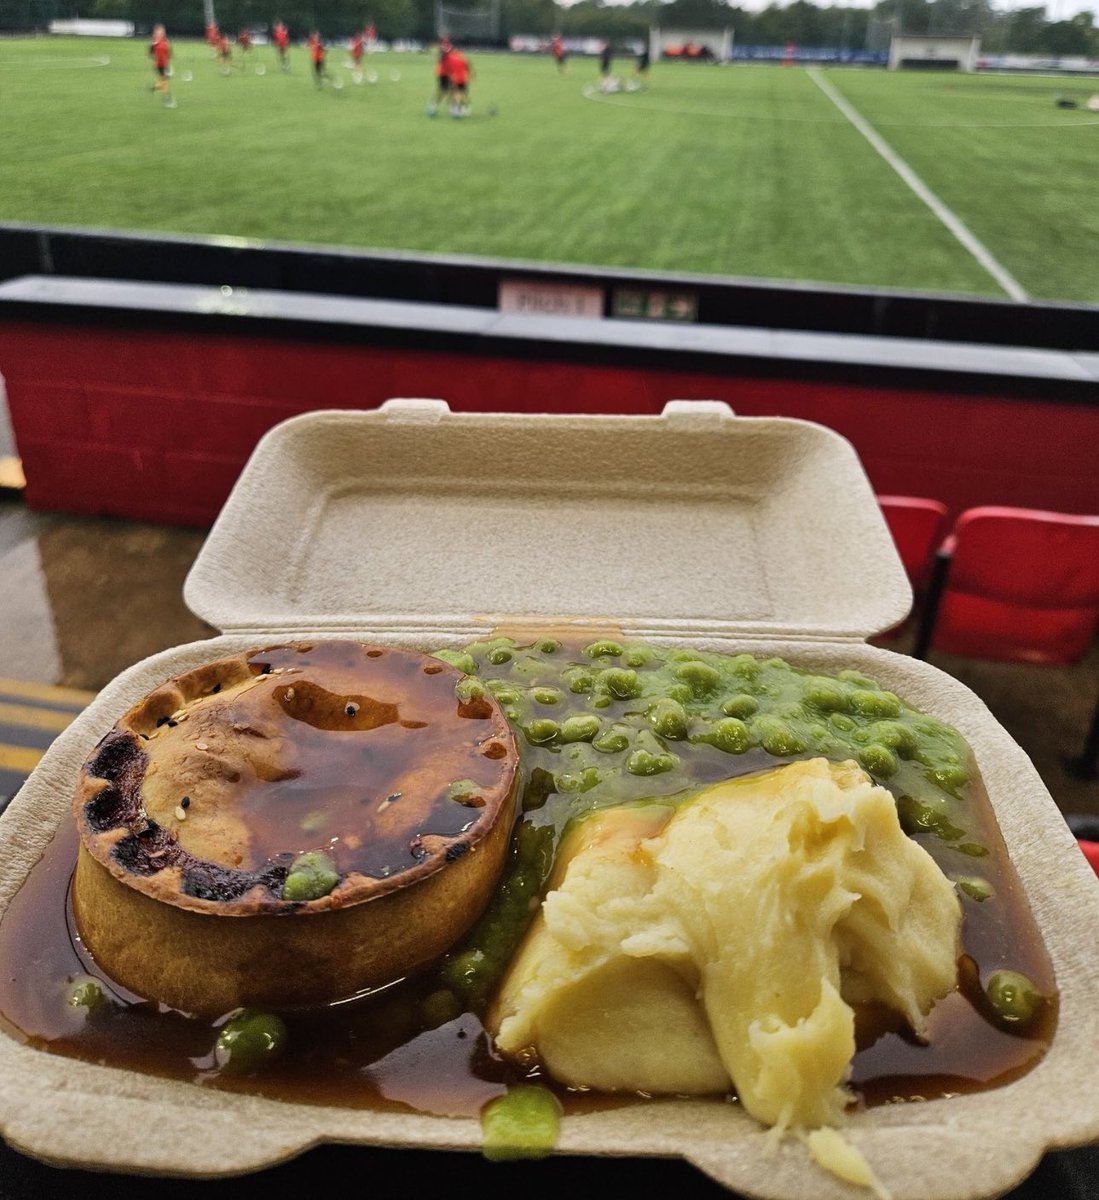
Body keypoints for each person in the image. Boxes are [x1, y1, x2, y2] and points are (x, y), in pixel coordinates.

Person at [149, 24, 175, 107]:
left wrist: (168, 60)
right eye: (160, 31)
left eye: (163, 31)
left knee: (163, 80)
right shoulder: (155, 42)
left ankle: (154, 87)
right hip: (159, 64)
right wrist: (155, 58)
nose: (162, 32)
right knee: (165, 81)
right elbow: (151, 53)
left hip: (165, 63)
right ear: (156, 32)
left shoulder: (166, 40)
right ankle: (167, 99)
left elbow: (169, 52)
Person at [427, 34, 453, 115]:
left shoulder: (447, 47)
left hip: (447, 72)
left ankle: (434, 106)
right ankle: (433, 106)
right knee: (443, 91)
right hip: (443, 73)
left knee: (447, 90)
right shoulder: (443, 49)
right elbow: (442, 57)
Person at [446, 44, 472, 117]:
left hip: (455, 79)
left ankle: (456, 108)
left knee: (456, 93)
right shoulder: (463, 57)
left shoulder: (451, 58)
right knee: (462, 93)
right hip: (463, 78)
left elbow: (449, 70)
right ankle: (463, 107)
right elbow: (467, 68)